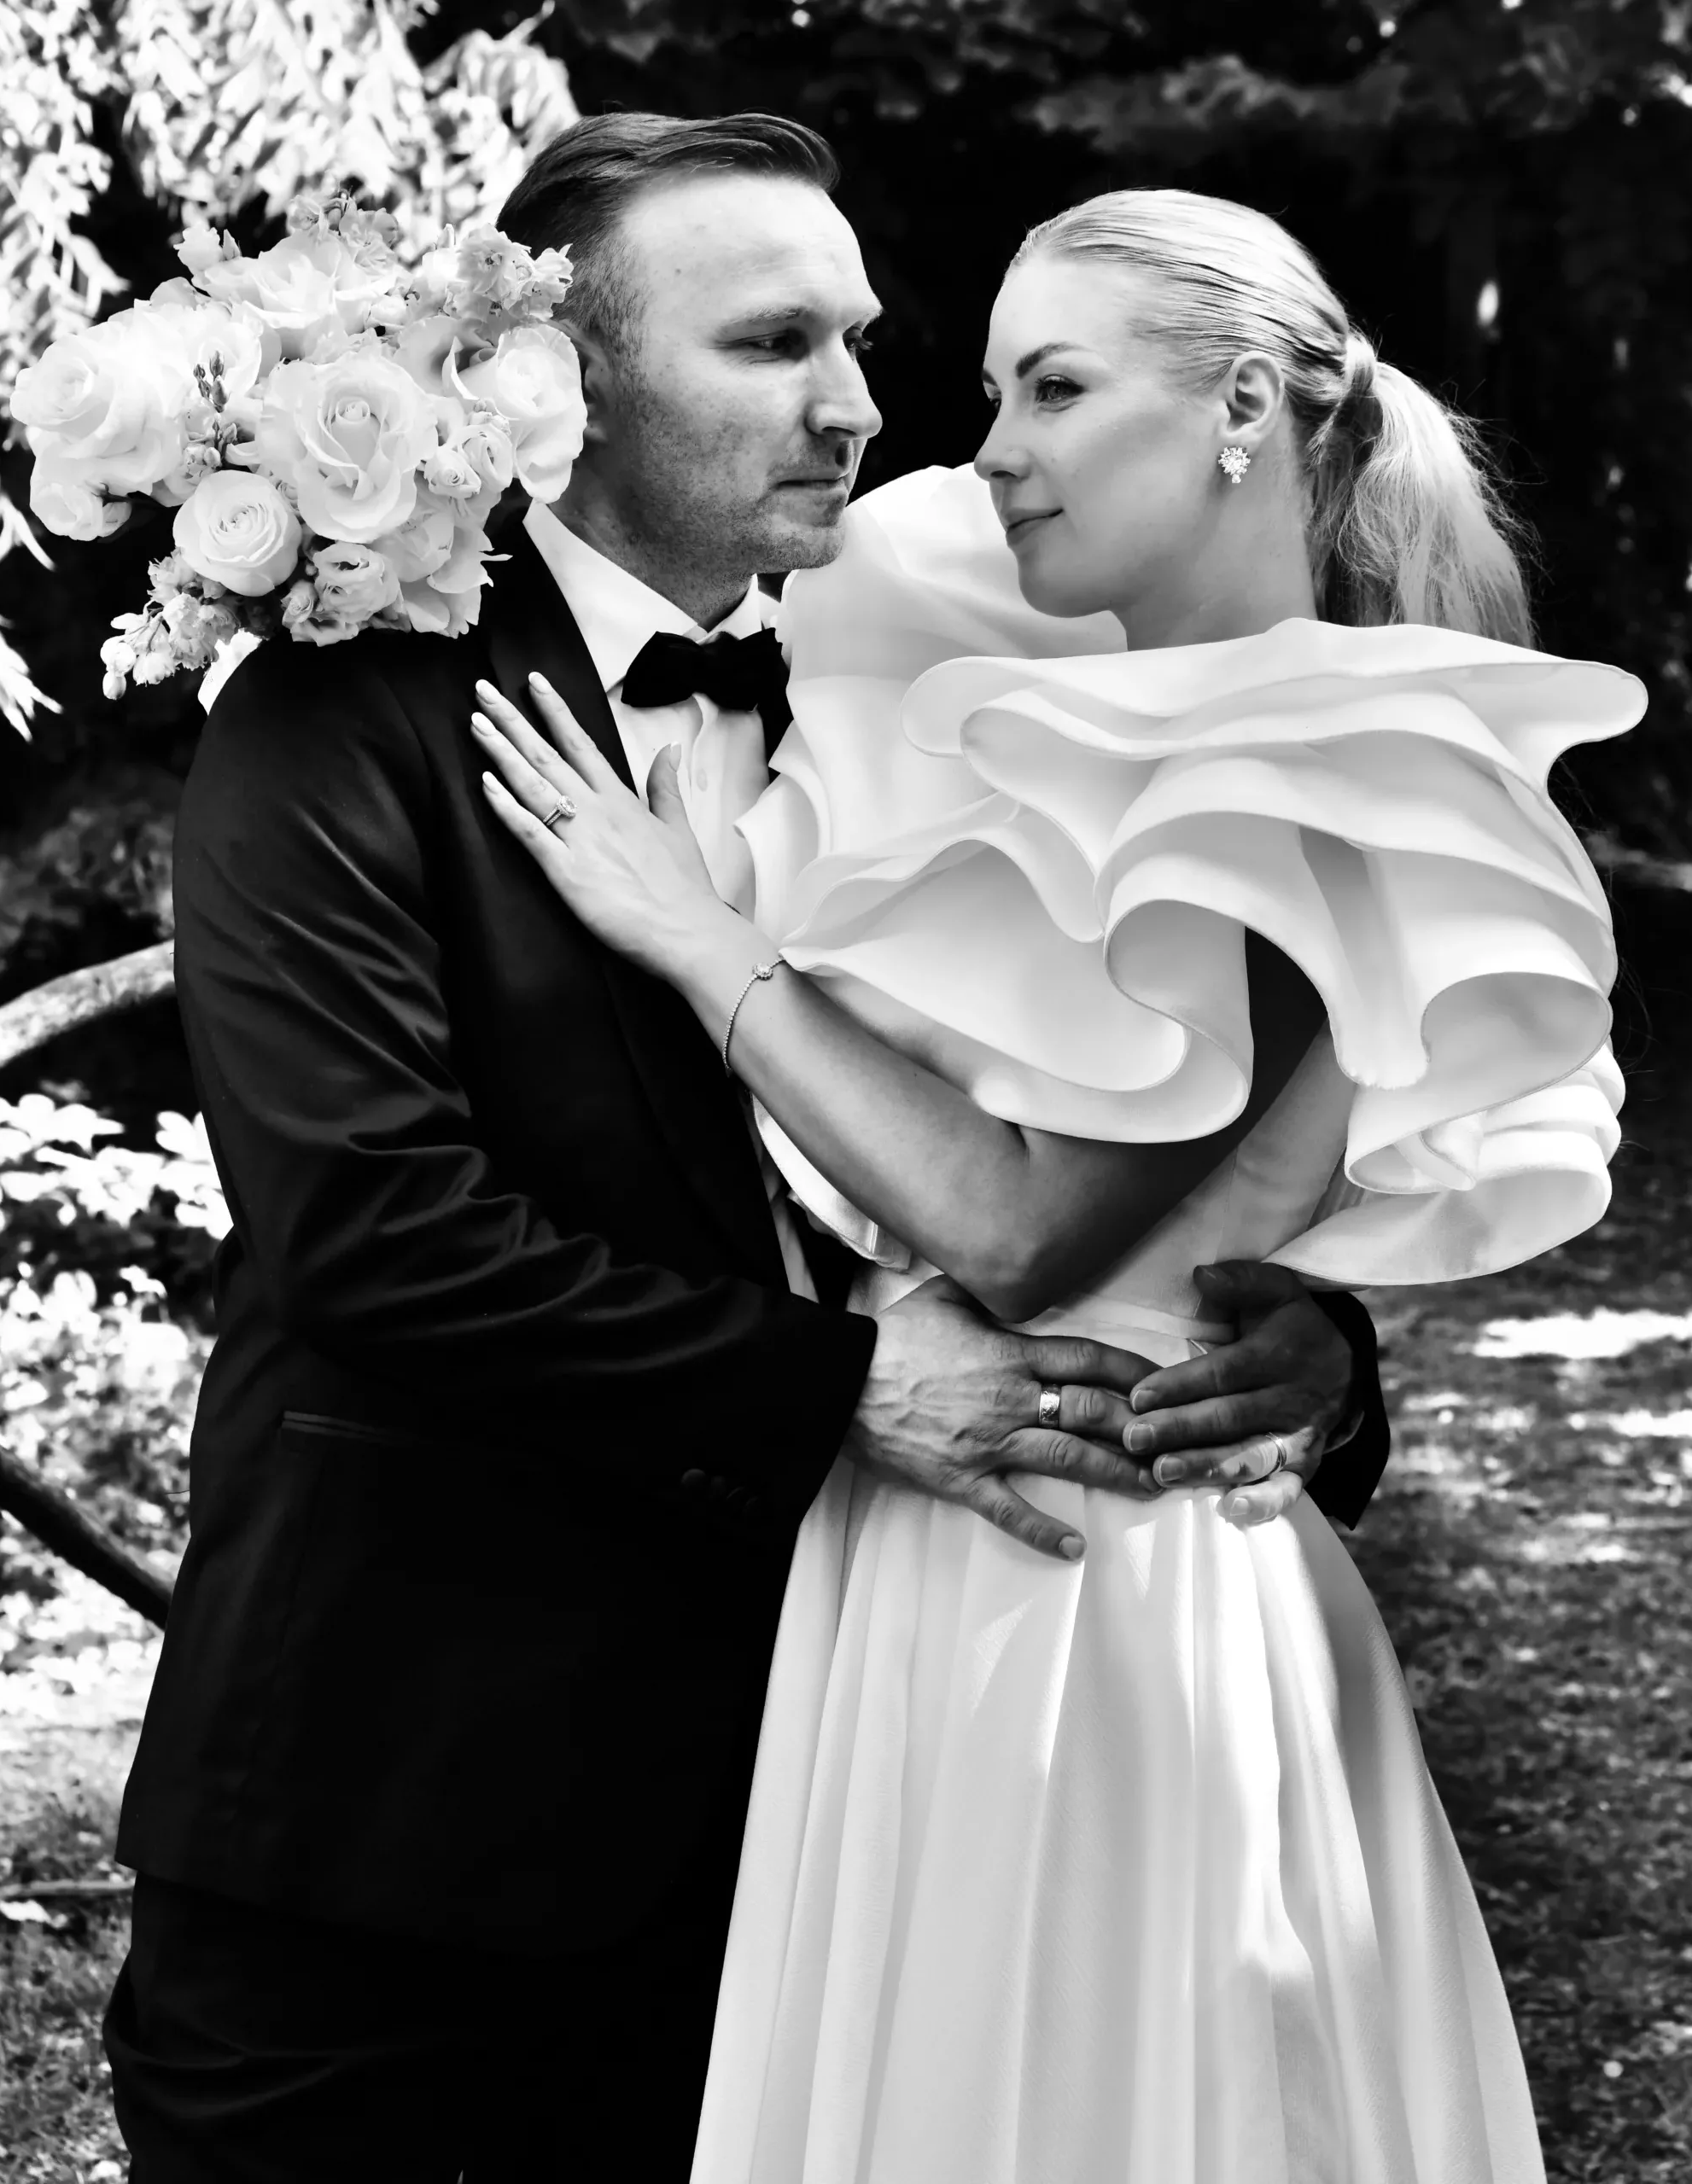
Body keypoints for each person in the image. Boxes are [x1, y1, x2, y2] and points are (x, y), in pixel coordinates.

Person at [102, 121, 1390, 2183]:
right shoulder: (342, 718)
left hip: (828, 1818)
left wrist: (1307, 1344)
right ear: (563, 387)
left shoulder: (946, 691)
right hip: (394, 1809)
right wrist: (850, 1380)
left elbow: (1134, 1118)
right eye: (774, 343)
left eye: (857, 339)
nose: (856, 403)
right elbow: (376, 1233)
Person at [473, 185, 1639, 2180]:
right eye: (997, 388)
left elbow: (1023, 1233)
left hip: (1089, 1586)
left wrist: (699, 940)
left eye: (1057, 390)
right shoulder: (1076, 702)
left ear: (1243, 408)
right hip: (944, 1545)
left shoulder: (1295, 764)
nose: (991, 446)